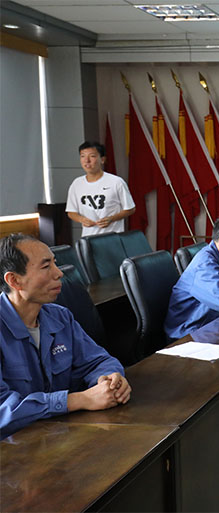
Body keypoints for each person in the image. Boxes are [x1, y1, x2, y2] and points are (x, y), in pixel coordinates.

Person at [0, 234, 131, 438]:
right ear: (14, 280)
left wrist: (110, 380)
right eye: (46, 267)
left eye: (55, 263)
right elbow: (3, 411)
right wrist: (79, 400)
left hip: (61, 435)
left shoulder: (60, 316)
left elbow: (98, 361)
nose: (59, 273)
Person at [66, 141, 136, 237]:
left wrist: (111, 219)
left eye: (92, 156)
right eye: (83, 156)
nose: (87, 160)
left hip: (113, 238)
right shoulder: (76, 184)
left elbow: (130, 208)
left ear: (102, 159)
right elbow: (71, 212)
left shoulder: (116, 182)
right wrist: (81, 219)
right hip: (88, 238)